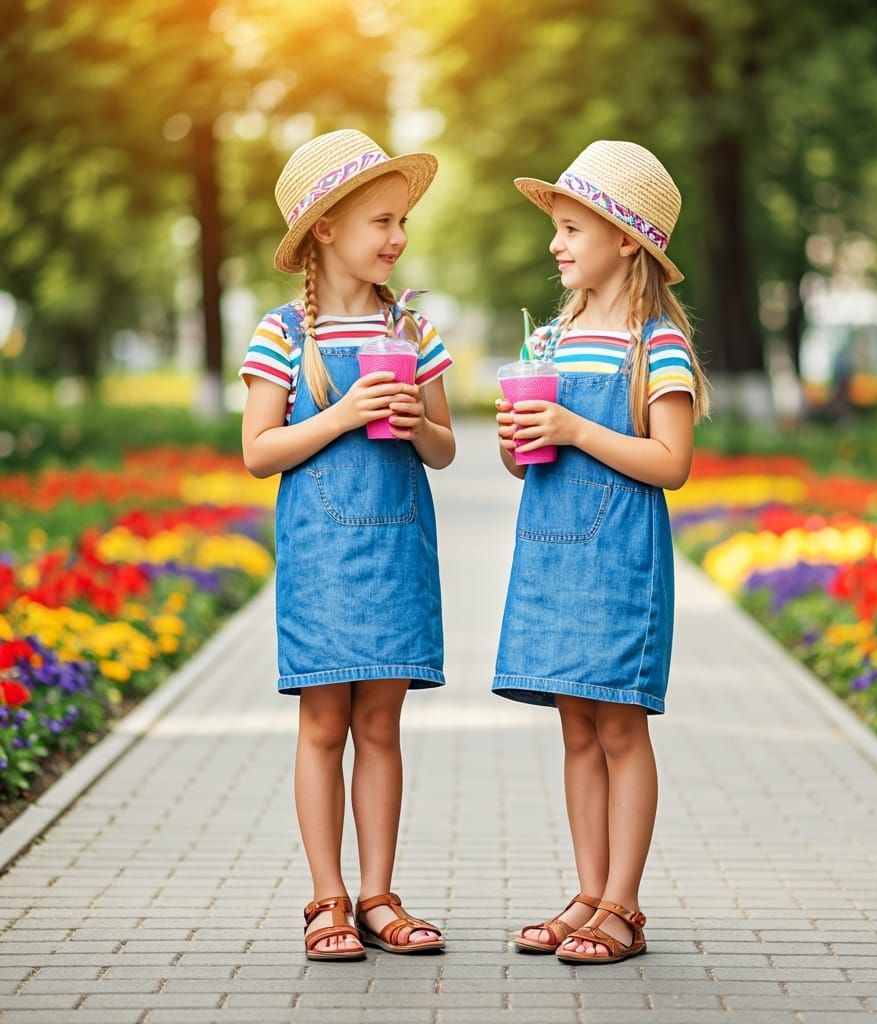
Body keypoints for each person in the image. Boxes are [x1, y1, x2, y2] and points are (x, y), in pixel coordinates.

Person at [239, 129, 455, 961]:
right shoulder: (282, 334)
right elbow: (258, 452)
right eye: (381, 220)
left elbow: (443, 448)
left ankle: (379, 896)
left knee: (383, 724)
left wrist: (415, 426)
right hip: (322, 559)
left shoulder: (415, 330)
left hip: (398, 550)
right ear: (325, 227)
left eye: (402, 222)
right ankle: (325, 897)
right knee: (324, 720)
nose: (397, 238)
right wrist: (339, 416)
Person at [493, 140, 710, 964]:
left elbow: (672, 463)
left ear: (626, 239)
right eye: (556, 227)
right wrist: (517, 442)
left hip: (620, 560)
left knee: (620, 728)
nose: (556, 244)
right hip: (550, 555)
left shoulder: (657, 346)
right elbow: (523, 461)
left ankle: (624, 903)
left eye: (572, 228)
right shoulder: (551, 339)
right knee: (575, 728)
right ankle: (588, 891)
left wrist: (577, 427)